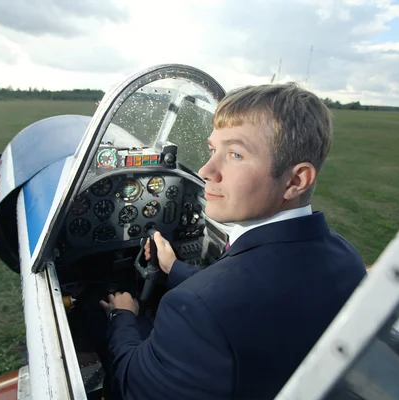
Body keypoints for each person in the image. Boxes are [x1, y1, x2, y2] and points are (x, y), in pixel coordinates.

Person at [99, 83, 367, 399]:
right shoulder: (348, 261)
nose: (206, 170)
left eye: (235, 154)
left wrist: (123, 317)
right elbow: (251, 296)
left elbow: (131, 384)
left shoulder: (197, 310)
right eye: (214, 150)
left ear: (295, 181)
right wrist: (174, 269)